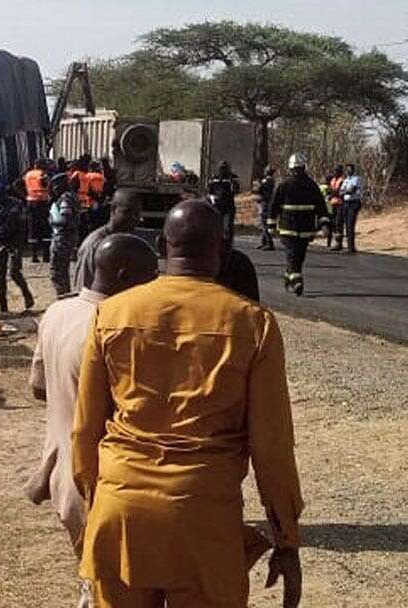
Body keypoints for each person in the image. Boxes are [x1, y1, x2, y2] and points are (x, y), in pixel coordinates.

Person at [72, 199, 303, 608]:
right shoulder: (252, 324)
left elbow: (86, 429)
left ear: (161, 247)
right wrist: (286, 536)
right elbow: (272, 447)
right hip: (204, 516)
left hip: (121, 508)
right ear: (223, 249)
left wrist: (96, 508)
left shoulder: (110, 314)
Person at [26, 234, 161, 608]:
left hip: (62, 480)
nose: (154, 285)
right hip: (100, 489)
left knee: (94, 585)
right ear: (122, 273)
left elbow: (39, 388)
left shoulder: (57, 312)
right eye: (149, 275)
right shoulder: (116, 328)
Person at [271, 153, 329, 296]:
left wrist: (271, 226)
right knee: (294, 255)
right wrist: (324, 224)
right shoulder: (309, 185)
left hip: (295, 229)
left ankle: (289, 276)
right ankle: (297, 282)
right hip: (297, 229)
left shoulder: (289, 185)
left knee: (297, 257)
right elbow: (322, 207)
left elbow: (274, 206)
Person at [72, 189, 143, 292]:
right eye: (127, 212)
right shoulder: (95, 244)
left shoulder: (131, 243)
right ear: (113, 209)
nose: (134, 218)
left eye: (137, 213)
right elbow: (83, 288)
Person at [0, 183, 35, 313]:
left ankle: (26, 294)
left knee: (14, 272)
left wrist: (23, 245)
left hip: (14, 242)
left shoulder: (16, 204)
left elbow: (22, 225)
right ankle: (3, 306)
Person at [48, 172, 84, 298]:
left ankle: (64, 298)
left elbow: (64, 219)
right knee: (62, 271)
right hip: (66, 237)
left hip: (63, 238)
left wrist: (52, 219)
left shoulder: (65, 198)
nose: (53, 189)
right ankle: (65, 296)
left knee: (57, 272)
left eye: (55, 186)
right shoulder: (70, 196)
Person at [24, 159, 53, 263]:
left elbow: (17, 184)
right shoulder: (42, 174)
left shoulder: (28, 174)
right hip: (42, 202)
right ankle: (46, 256)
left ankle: (34, 255)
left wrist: (25, 196)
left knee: (33, 228)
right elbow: (46, 185)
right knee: (45, 228)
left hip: (30, 202)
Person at [207, 161, 240, 245]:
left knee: (228, 226)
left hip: (228, 205)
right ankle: (218, 241)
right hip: (217, 205)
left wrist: (233, 184)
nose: (223, 170)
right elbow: (209, 191)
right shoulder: (214, 177)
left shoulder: (232, 178)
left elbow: (236, 190)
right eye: (221, 168)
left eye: (224, 168)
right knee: (217, 225)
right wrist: (212, 198)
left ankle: (228, 242)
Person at [339, 164, 364, 253]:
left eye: (350, 169)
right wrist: (345, 191)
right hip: (346, 203)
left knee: (350, 224)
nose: (348, 171)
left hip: (354, 203)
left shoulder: (356, 179)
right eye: (347, 169)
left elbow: (352, 190)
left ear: (353, 170)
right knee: (346, 225)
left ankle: (351, 247)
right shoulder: (346, 180)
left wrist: (345, 191)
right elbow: (340, 191)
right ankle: (349, 246)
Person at [254, 165, 277, 251]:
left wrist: (258, 185)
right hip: (265, 203)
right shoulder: (270, 181)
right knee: (264, 224)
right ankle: (264, 242)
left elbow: (260, 190)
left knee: (265, 224)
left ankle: (269, 243)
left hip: (266, 204)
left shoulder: (268, 181)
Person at [327, 165, 346, 251]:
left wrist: (333, 192)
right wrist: (332, 193)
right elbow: (330, 190)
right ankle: (334, 241)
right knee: (333, 222)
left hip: (340, 203)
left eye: (337, 171)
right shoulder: (333, 180)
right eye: (334, 171)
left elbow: (339, 192)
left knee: (339, 222)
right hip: (333, 203)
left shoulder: (342, 180)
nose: (335, 172)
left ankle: (339, 243)